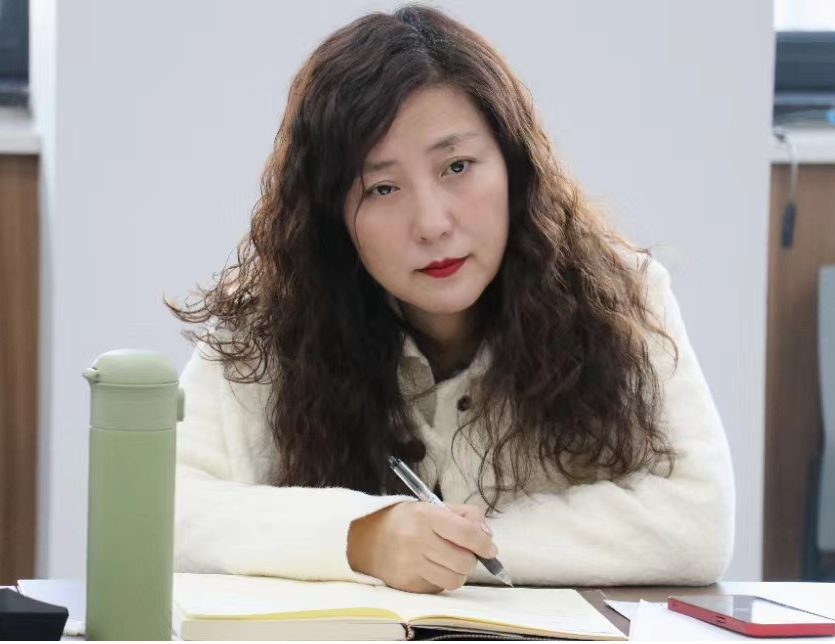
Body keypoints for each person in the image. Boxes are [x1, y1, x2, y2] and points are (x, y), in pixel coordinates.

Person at [168, 5, 735, 594]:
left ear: (514, 163)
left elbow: (697, 519)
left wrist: (459, 549)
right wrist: (363, 537)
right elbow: (164, 509)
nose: (433, 223)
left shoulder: (618, 292)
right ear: (331, 213)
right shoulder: (269, 318)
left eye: (457, 166)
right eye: (382, 188)